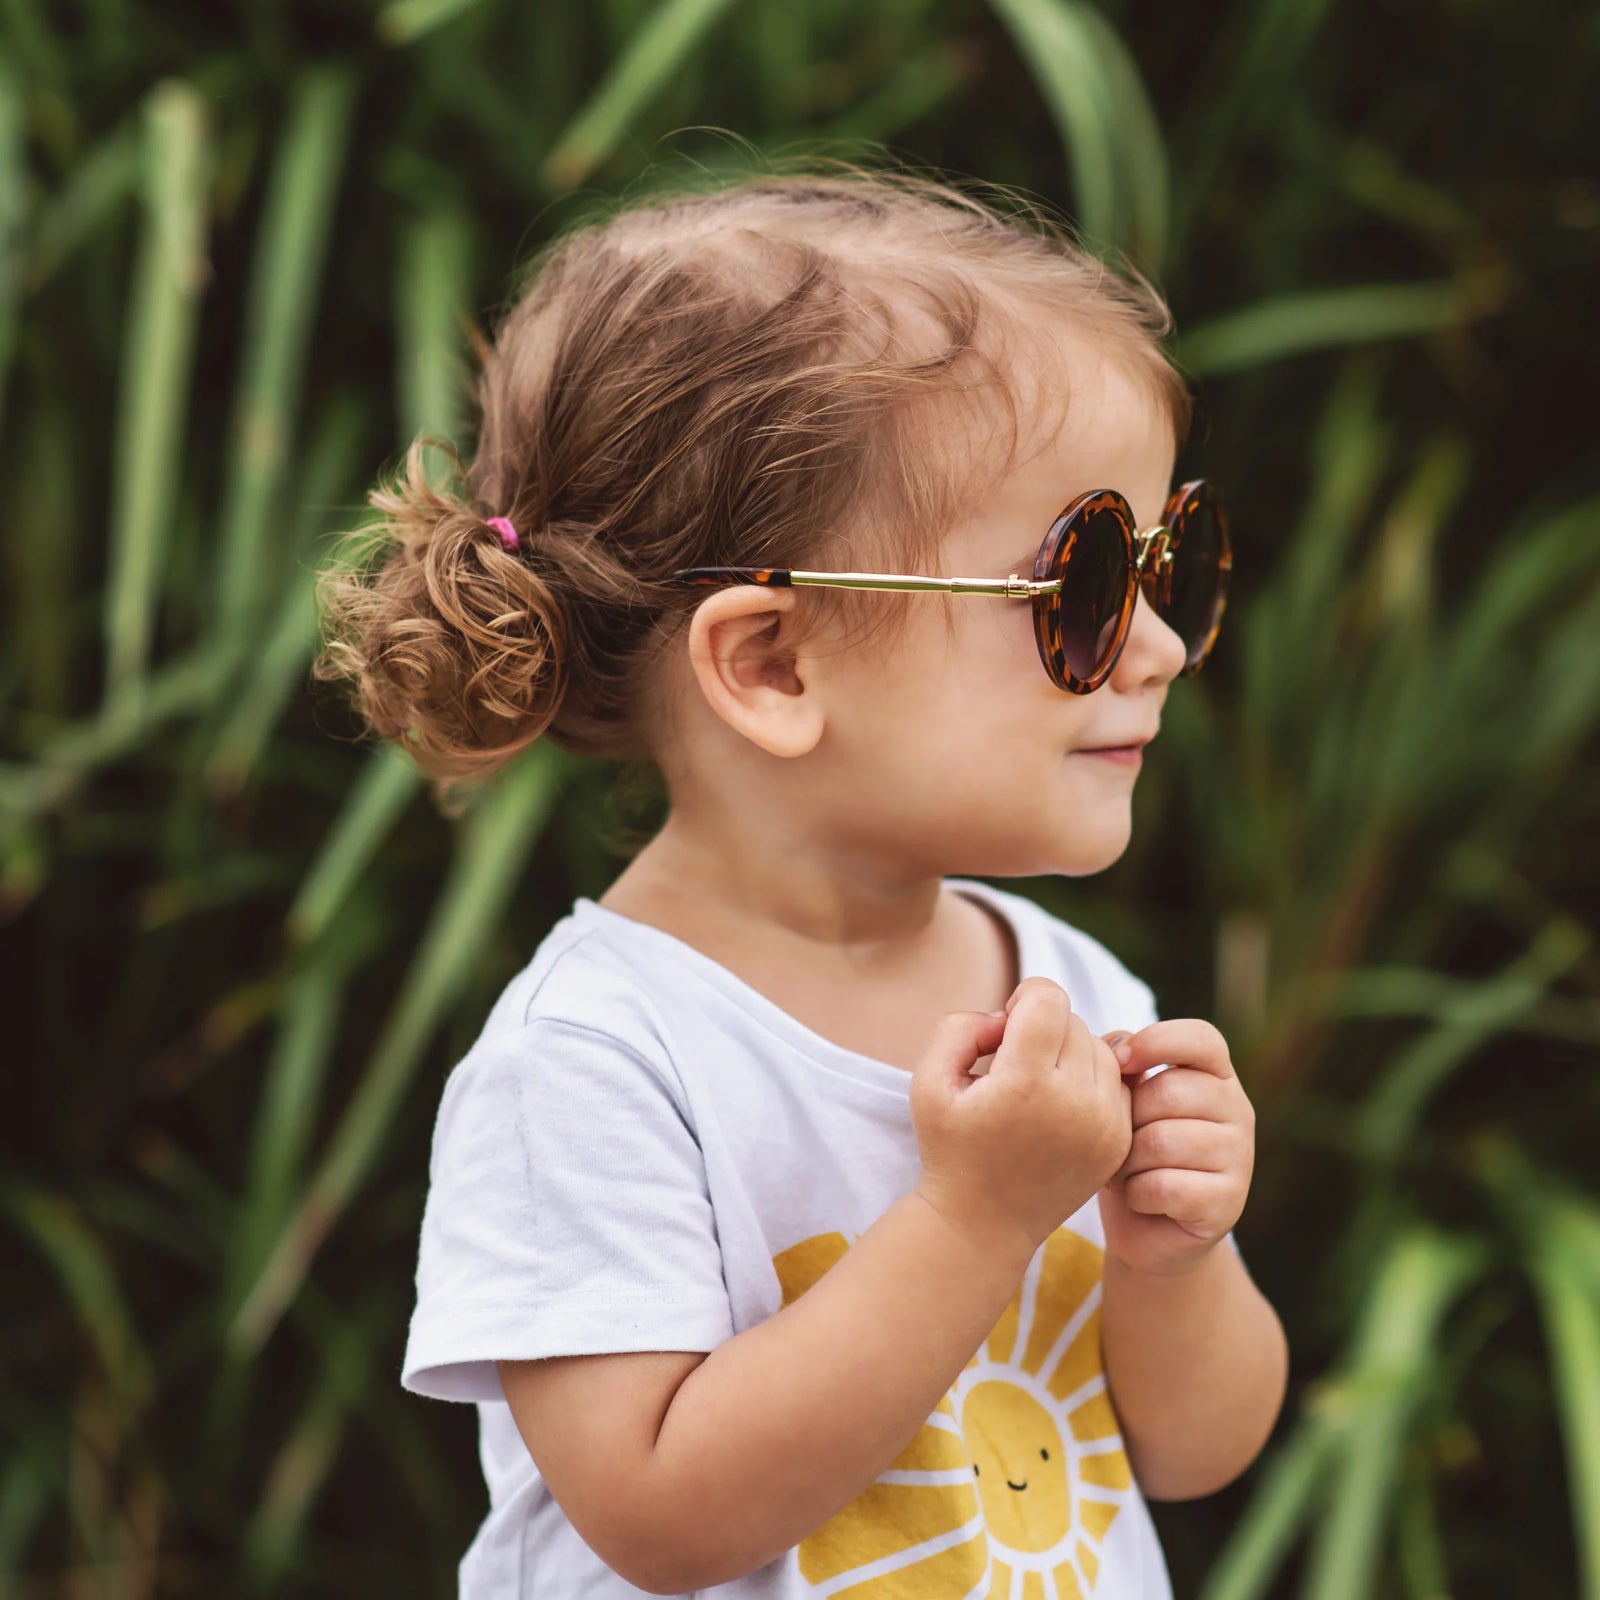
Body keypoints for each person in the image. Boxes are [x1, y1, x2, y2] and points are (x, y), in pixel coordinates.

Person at [315, 168, 1288, 1600]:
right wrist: (974, 1220)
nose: (1157, 644)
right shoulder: (595, 1062)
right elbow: (660, 1516)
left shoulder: (1075, 998)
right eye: (1077, 586)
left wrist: (1174, 1259)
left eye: (1167, 562)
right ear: (771, 664)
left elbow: (1194, 1451)